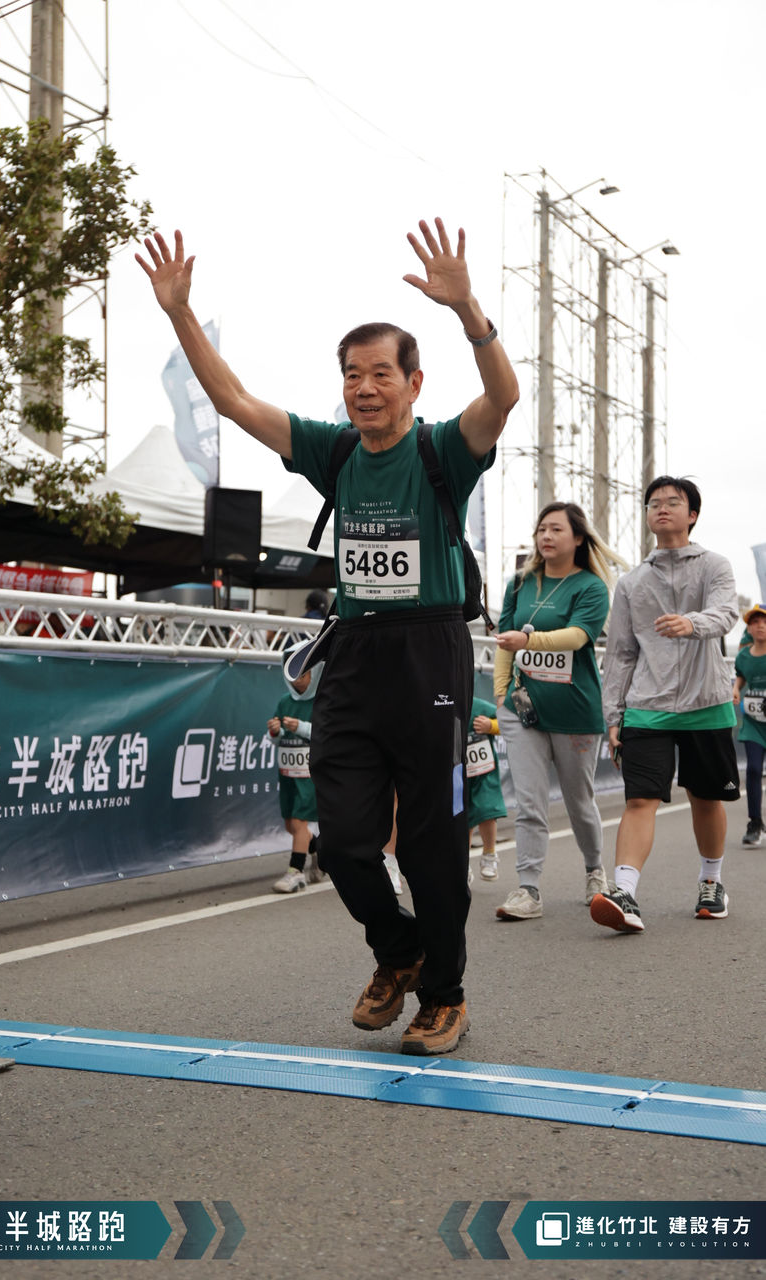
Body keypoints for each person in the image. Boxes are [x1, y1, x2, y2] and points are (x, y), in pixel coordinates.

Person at [136, 219, 519, 1054]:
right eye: (352, 374)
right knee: (342, 840)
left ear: (413, 382)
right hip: (353, 655)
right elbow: (234, 402)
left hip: (430, 657)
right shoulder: (333, 450)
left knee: (430, 846)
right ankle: (400, 950)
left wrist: (468, 312)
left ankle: (444, 996)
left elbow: (502, 399)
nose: (364, 388)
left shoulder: (442, 451)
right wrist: (179, 314)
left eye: (380, 373)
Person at [592, 476, 739, 933]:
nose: (661, 508)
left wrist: (691, 623)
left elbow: (726, 614)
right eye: (653, 503)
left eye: (673, 502)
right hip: (646, 705)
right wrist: (613, 716)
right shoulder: (632, 582)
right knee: (640, 799)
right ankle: (625, 893)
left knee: (706, 797)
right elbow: (620, 653)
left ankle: (711, 882)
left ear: (691, 515)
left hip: (706, 701)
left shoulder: (715, 566)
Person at [492, 503, 618, 919]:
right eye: (541, 529)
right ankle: (527, 889)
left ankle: (594, 869)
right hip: (522, 711)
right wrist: (501, 694)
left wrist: (530, 642)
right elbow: (505, 641)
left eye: (556, 529)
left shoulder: (591, 587)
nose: (546, 536)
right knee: (530, 802)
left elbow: (578, 637)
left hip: (575, 712)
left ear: (578, 538)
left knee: (579, 801)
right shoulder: (519, 583)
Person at [266, 644, 325, 892]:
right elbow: (275, 738)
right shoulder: (284, 701)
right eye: (292, 675)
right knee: (291, 825)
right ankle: (318, 849)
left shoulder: (322, 701)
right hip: (288, 773)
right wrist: (275, 731)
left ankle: (295, 872)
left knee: (301, 821)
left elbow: (325, 734)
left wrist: (299, 727)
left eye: (303, 674)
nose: (297, 681)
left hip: (310, 774)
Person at [732, 604, 766, 847]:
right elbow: (741, 675)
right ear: (749, 629)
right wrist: (736, 688)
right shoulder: (743, 657)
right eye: (755, 622)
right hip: (754, 723)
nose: (760, 626)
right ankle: (755, 823)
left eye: (764, 622)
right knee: (753, 769)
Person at [466, 696, 507, 881]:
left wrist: (491, 726)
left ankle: (489, 854)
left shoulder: (479, 706)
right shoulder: (442, 705)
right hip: (458, 774)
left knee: (487, 810)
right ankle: (463, 862)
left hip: (484, 773)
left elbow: (508, 722)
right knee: (462, 818)